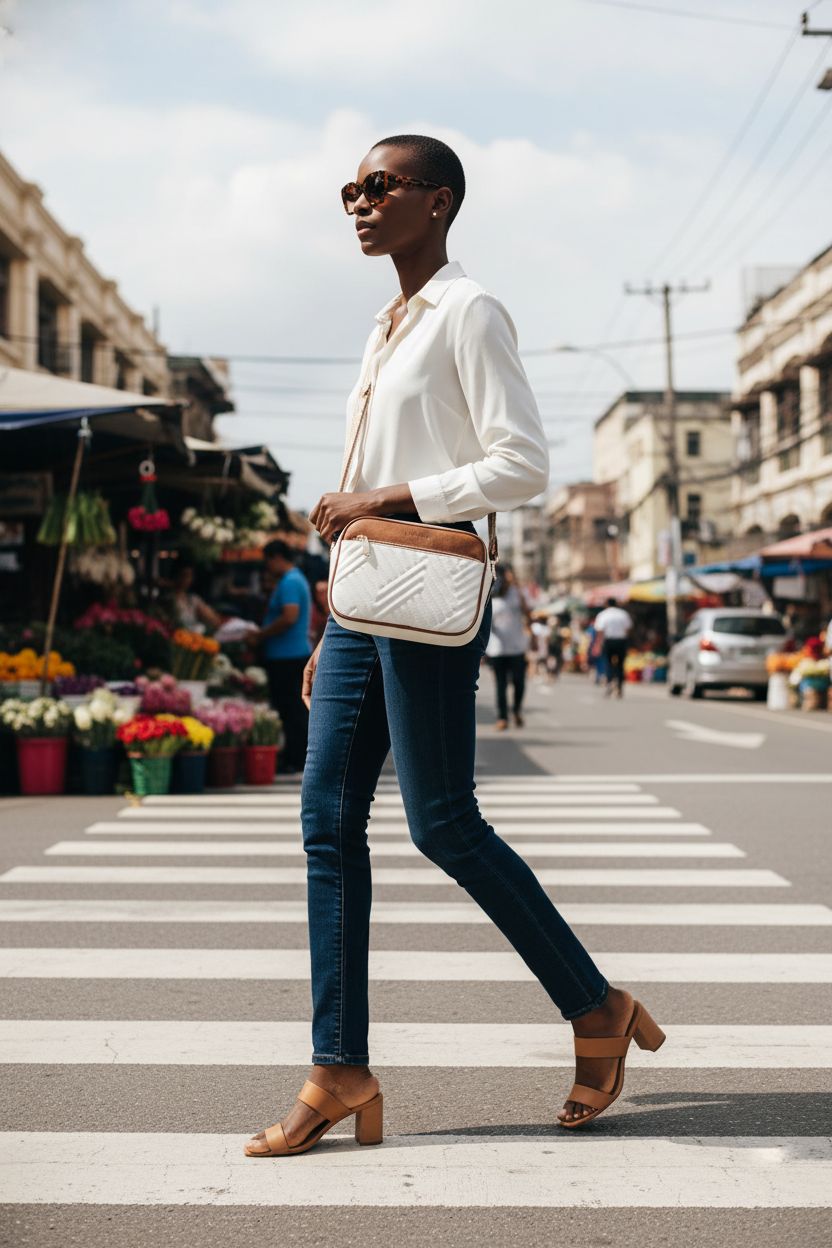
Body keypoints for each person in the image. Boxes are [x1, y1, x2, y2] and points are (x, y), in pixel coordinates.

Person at [244, 134, 663, 1159]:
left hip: (426, 591)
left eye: (379, 186)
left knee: (441, 824)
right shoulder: (385, 322)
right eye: (349, 188)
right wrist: (333, 615)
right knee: (323, 821)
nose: (357, 201)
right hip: (362, 600)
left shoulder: (467, 310)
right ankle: (338, 1069)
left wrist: (388, 497)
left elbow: (520, 461)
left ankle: (595, 1006)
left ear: (436, 202)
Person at [247, 539, 312, 774]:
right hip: (289, 653)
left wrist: (261, 635)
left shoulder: (290, 582)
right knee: (291, 707)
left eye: (267, 561)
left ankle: (296, 757)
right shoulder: (294, 579)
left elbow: (289, 617)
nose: (266, 567)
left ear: (276, 558)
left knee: (290, 708)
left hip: (287, 655)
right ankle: (296, 755)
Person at [486, 565, 530, 728]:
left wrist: (518, 587)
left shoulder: (517, 594)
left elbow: (528, 613)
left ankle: (517, 710)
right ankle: (502, 717)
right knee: (501, 684)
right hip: (497, 649)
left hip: (517, 647)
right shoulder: (489, 595)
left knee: (519, 682)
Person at [594, 597, 633, 698]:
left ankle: (609, 684)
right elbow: (627, 629)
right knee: (620, 665)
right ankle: (619, 686)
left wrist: (597, 644)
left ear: (607, 604)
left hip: (608, 641)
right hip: (621, 641)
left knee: (608, 663)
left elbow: (600, 631)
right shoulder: (623, 614)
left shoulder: (603, 615)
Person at [169, 560, 222, 633]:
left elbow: (215, 621)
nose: (187, 580)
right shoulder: (169, 599)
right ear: (176, 576)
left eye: (190, 576)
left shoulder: (192, 599)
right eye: (184, 575)